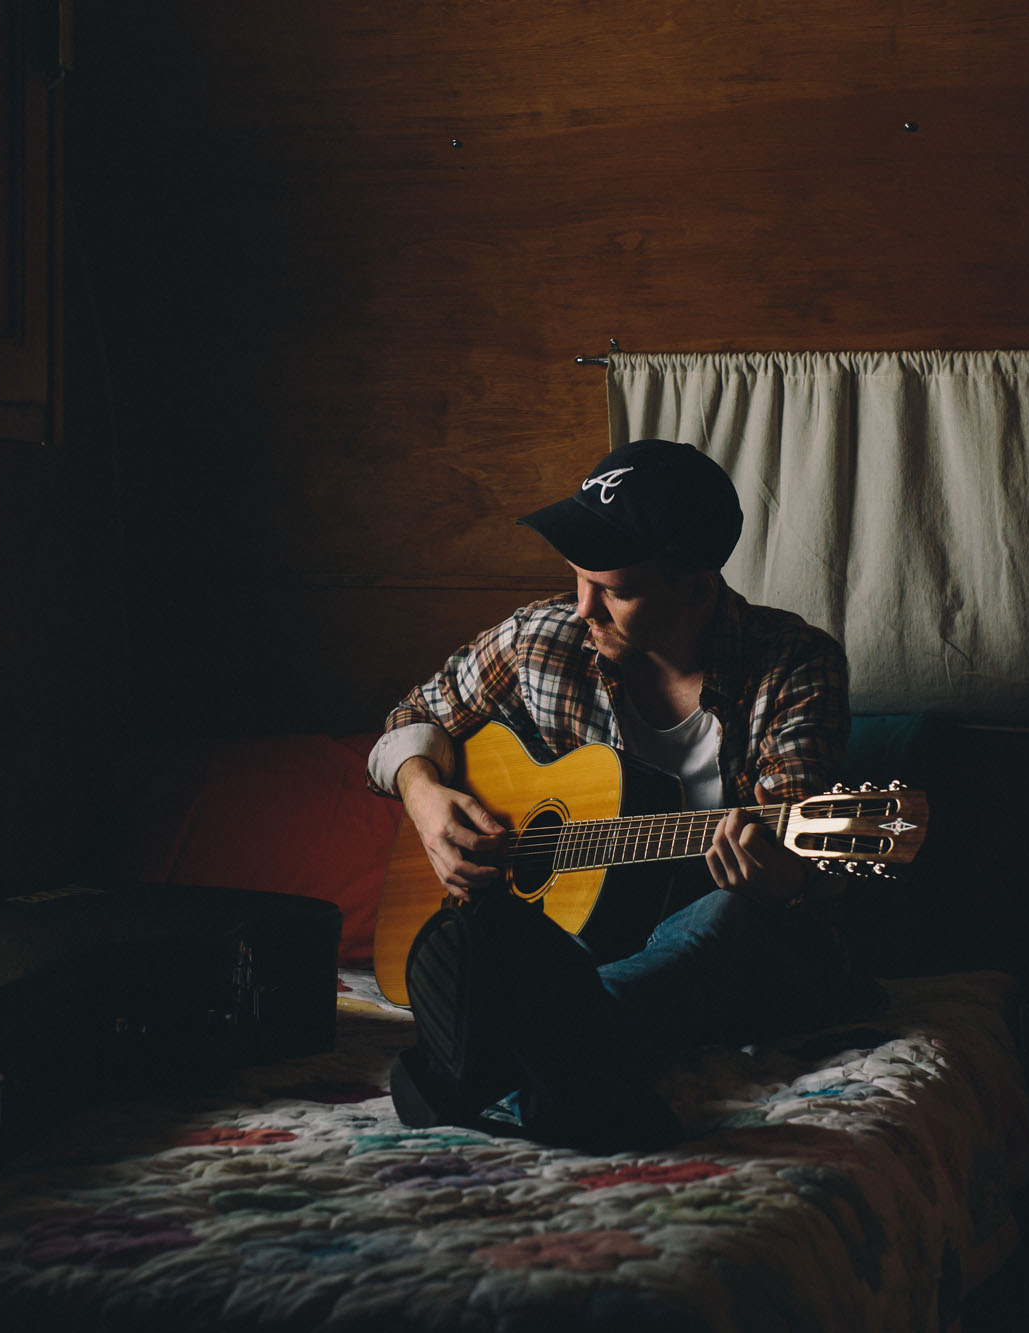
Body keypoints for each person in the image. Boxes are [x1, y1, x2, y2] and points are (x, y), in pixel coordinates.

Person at [367, 438, 885, 1149]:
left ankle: (520, 1043)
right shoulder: (538, 640)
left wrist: (787, 877)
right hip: (579, 945)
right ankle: (561, 1061)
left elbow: (804, 864)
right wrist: (424, 797)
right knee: (494, 930)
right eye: (577, 578)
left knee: (726, 915)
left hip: (727, 954)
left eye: (613, 589)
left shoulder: (794, 664)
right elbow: (407, 721)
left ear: (697, 586)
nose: (583, 607)